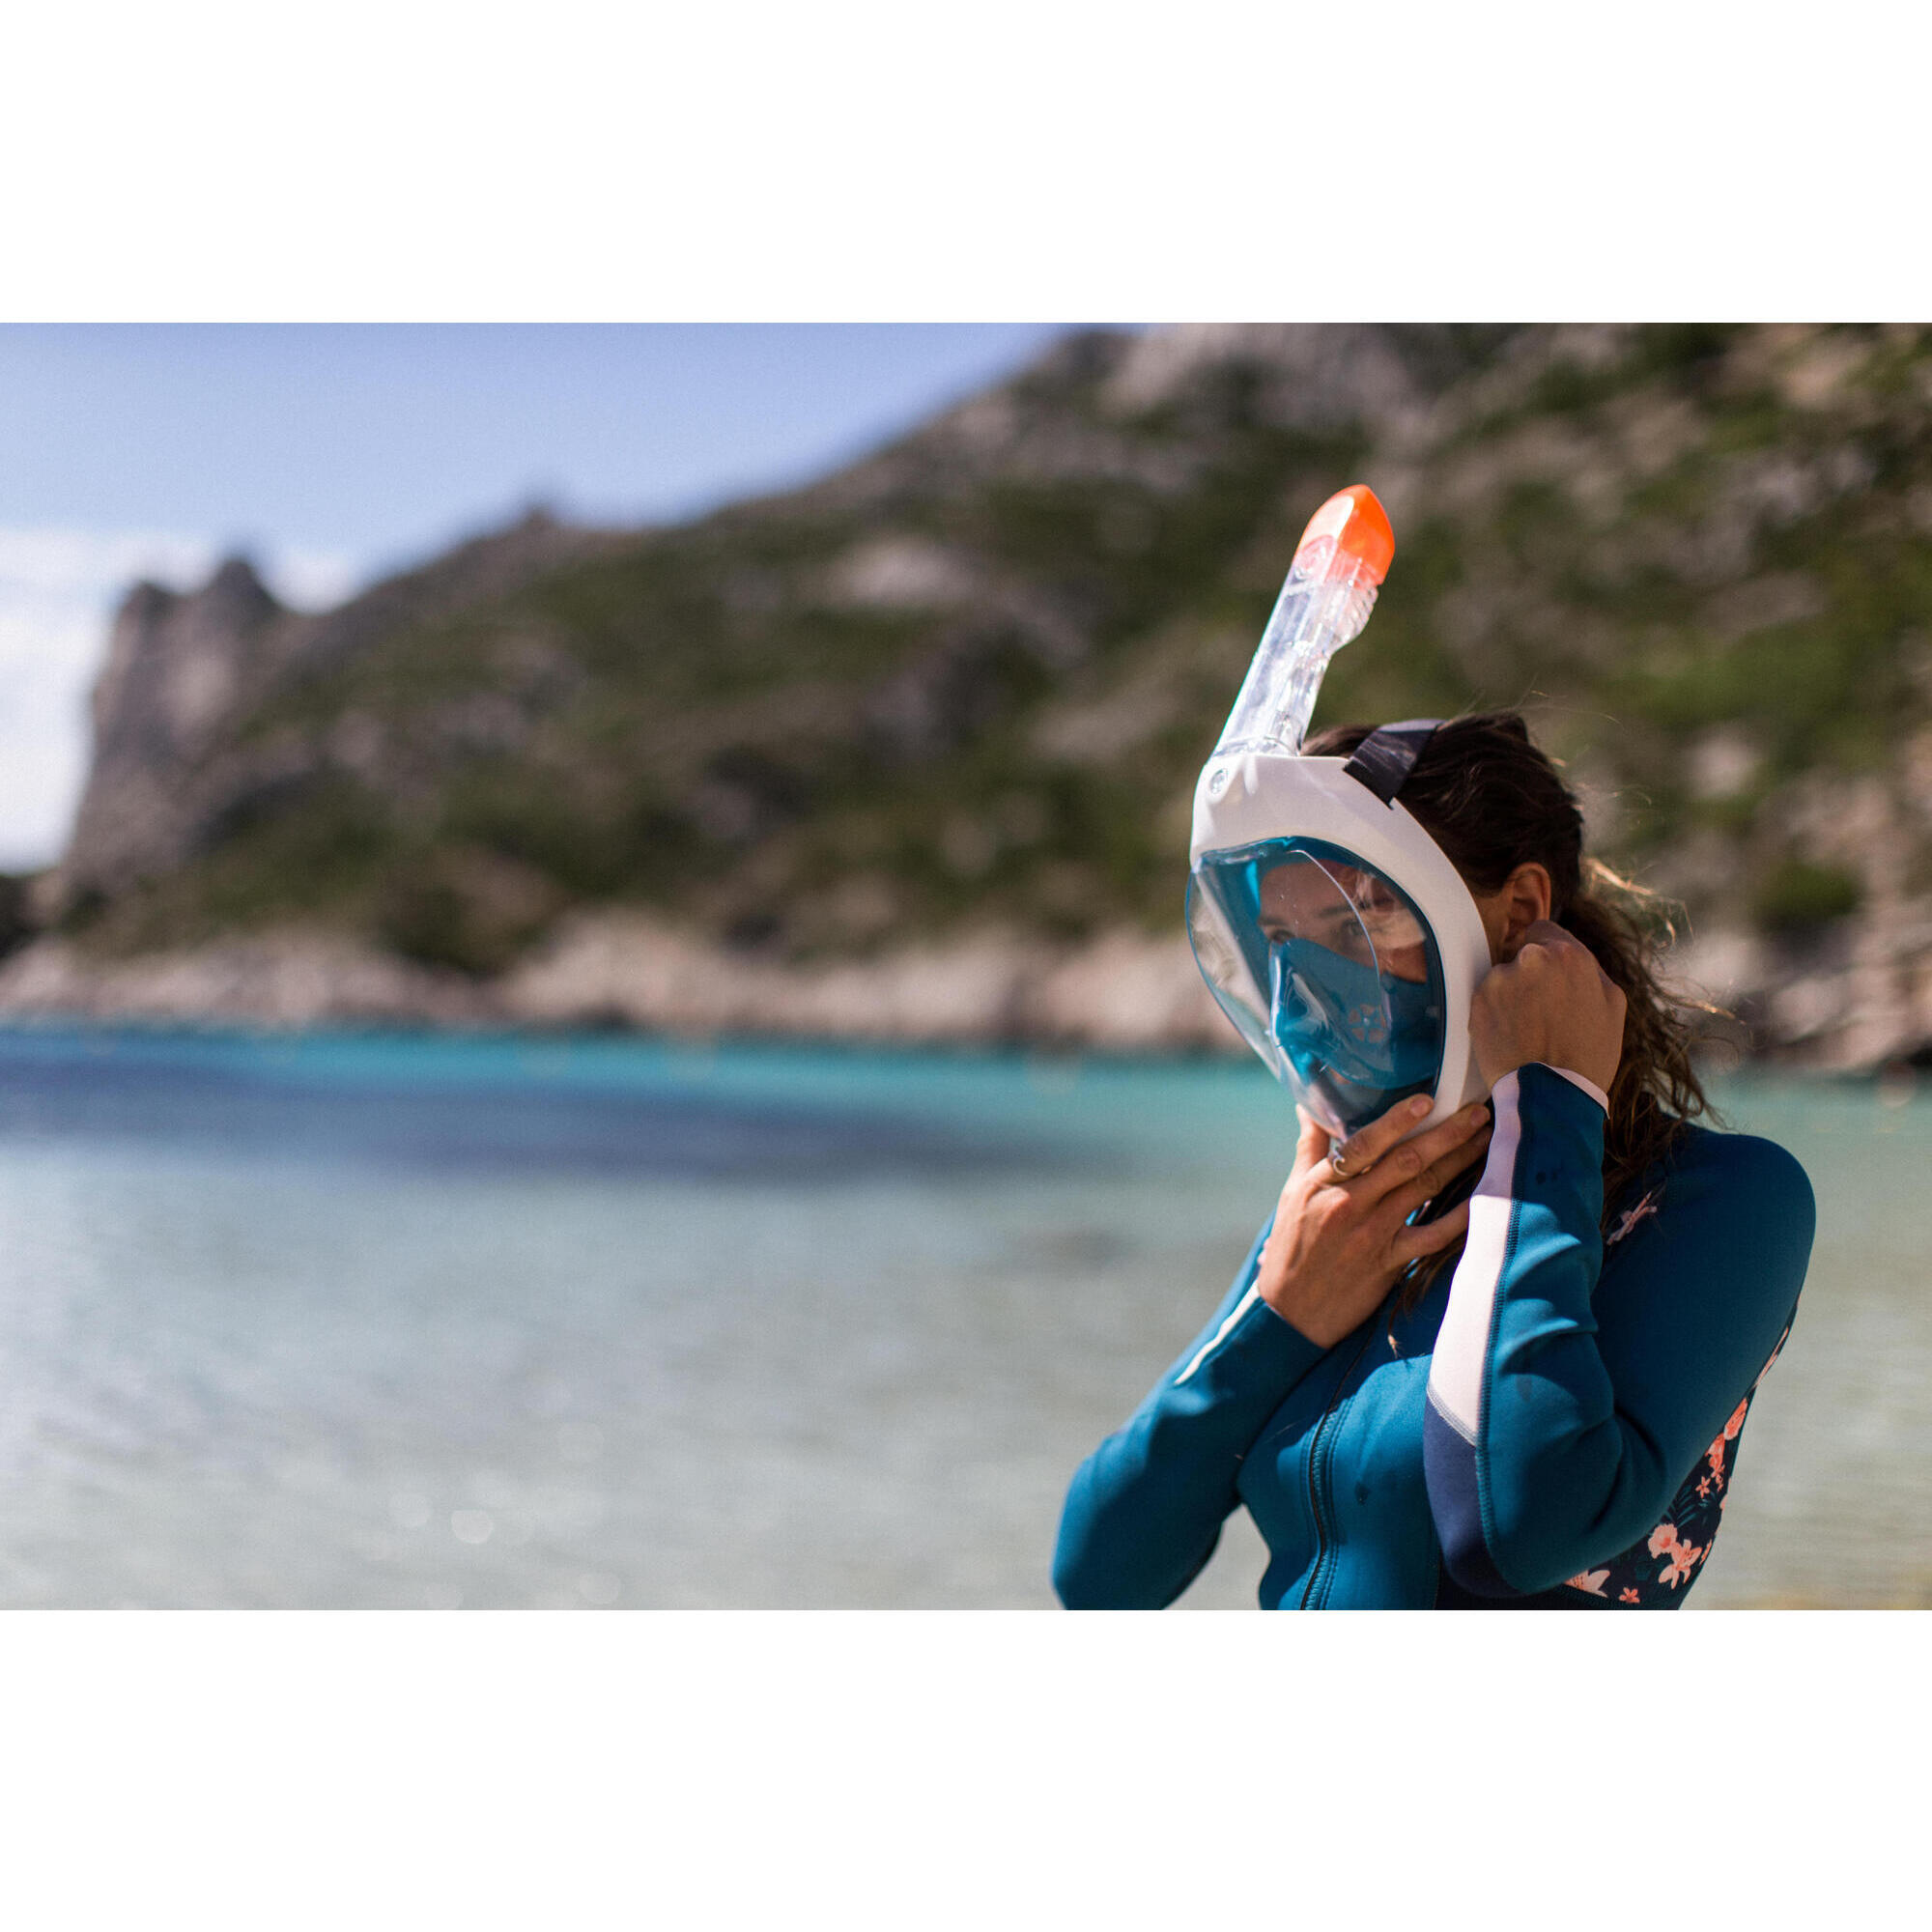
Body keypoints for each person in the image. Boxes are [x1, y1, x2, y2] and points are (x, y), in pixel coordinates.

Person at [1052, 713, 1814, 1609]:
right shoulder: (1355, 1216)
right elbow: (1099, 1577)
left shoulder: (1720, 1200)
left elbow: (1516, 1530)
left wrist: (1551, 1108)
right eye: (1284, 942)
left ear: (1520, 911)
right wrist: (1276, 1319)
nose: (1310, 991)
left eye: (1360, 923)